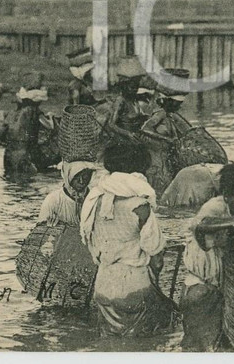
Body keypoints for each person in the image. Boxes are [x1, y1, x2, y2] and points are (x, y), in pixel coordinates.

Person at [79, 143, 174, 337]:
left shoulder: (93, 201)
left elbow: (91, 243)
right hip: (133, 284)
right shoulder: (140, 205)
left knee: (109, 343)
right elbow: (155, 254)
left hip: (104, 285)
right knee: (141, 344)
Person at [181, 162, 234, 351]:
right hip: (203, 286)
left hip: (233, 287)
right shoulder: (214, 207)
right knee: (199, 346)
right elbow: (203, 226)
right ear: (227, 196)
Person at [3, 73, 53, 175]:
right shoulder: (35, 111)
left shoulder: (16, 113)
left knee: (11, 180)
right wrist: (51, 117)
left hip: (8, 154)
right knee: (28, 180)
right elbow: (50, 126)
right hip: (23, 155)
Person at [39, 161, 104, 226]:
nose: (81, 181)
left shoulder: (95, 200)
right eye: (76, 177)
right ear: (69, 177)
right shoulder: (53, 200)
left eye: (85, 177)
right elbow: (40, 230)